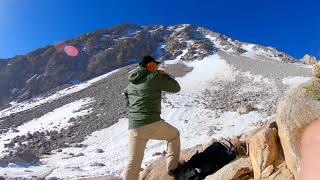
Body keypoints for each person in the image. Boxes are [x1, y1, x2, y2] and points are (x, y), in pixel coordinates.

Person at [123, 55, 181, 180]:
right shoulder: (153, 76)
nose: (158, 66)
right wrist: (164, 75)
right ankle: (172, 168)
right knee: (174, 135)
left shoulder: (131, 83)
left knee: (133, 162)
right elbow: (176, 88)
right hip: (150, 122)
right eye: (156, 64)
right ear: (150, 65)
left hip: (134, 126)